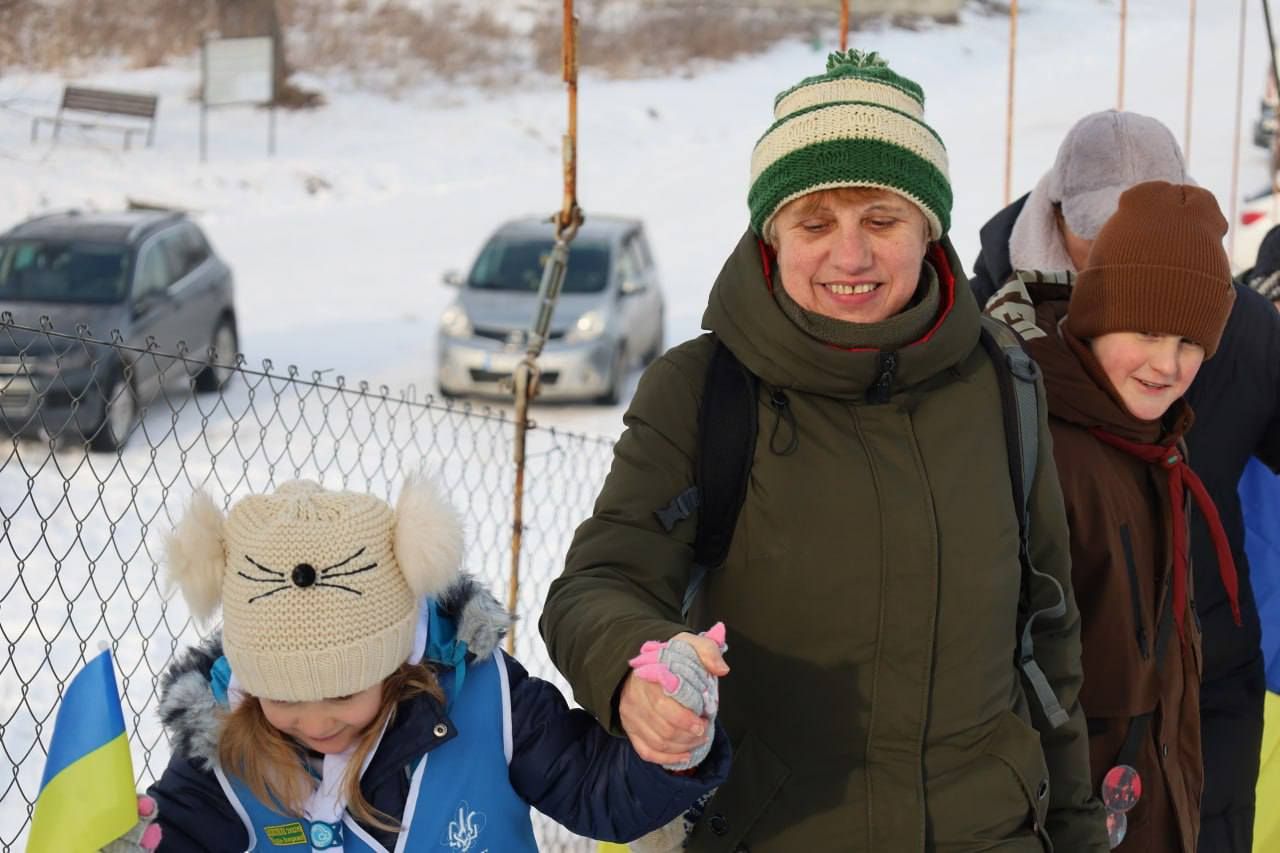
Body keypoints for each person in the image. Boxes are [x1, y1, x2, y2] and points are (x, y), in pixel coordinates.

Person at [541, 50, 1108, 851]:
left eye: (881, 218)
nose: (850, 256)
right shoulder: (702, 389)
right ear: (772, 237)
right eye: (815, 223)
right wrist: (636, 672)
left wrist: (1077, 832)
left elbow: (1048, 635)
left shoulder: (1002, 381)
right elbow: (597, 583)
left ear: (927, 228)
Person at [101, 477, 728, 852]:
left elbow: (597, 792)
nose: (316, 721)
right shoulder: (224, 745)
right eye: (283, 698)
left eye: (344, 693)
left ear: (396, 659)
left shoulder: (489, 701)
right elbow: (181, 832)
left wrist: (667, 742)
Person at [971, 110, 1280, 852]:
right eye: (1101, 226)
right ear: (1055, 216)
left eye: (1185, 343)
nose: (1165, 362)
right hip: (1060, 708)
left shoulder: (1241, 327)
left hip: (1207, 688)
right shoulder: (990, 338)